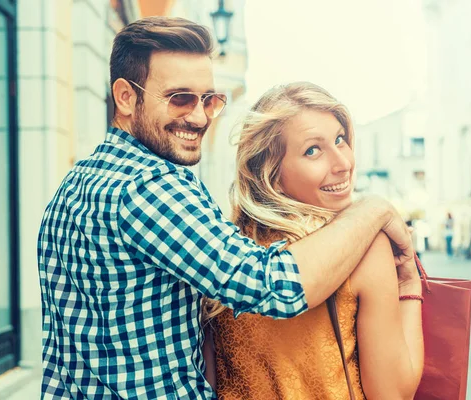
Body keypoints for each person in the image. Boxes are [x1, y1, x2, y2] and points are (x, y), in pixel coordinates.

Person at [36, 17, 414, 399]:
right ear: (126, 97)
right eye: (179, 98)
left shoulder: (76, 183)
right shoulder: (150, 187)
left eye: (209, 100)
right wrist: (374, 210)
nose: (199, 117)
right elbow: (271, 286)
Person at [205, 82, 424, 399]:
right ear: (270, 172)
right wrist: (408, 286)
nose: (343, 163)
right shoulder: (363, 247)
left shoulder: (223, 250)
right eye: (313, 150)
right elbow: (394, 394)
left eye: (340, 140)